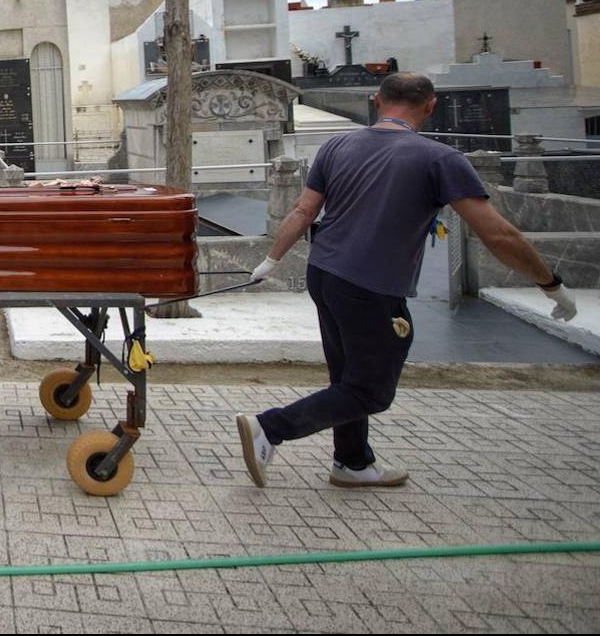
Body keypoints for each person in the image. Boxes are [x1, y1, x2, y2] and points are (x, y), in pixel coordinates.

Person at [238, 73, 577, 489]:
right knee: (371, 391)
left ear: (376, 101)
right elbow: (498, 234)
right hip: (370, 286)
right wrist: (551, 283)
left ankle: (353, 463)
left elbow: (302, 211)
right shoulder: (439, 158)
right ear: (430, 106)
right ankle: (270, 428)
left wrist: (272, 260)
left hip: (324, 274)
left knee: (347, 378)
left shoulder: (337, 145)